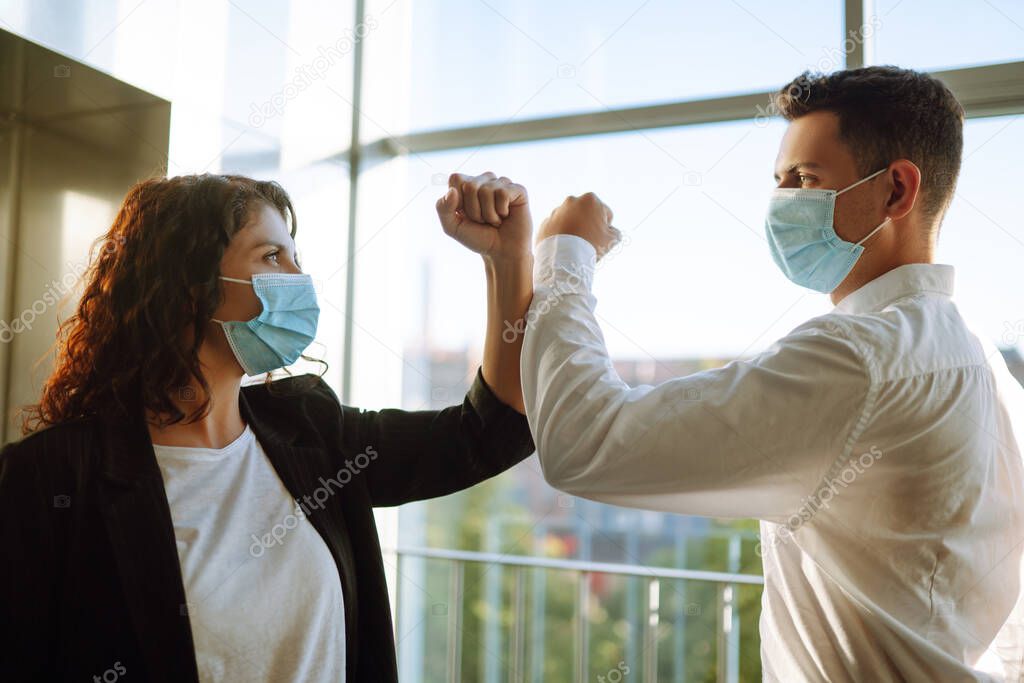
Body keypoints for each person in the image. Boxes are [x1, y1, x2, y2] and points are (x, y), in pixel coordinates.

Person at [517, 66, 1024, 680]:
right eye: (780, 181)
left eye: (805, 179)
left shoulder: (857, 360)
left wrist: (564, 255)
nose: (782, 202)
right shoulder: (983, 363)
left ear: (896, 191)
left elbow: (583, 443)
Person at [0, 172, 535, 682]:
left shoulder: (312, 430)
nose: (298, 279)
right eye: (272, 256)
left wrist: (507, 259)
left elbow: (486, 432)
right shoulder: (52, 476)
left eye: (295, 257)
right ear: (189, 284)